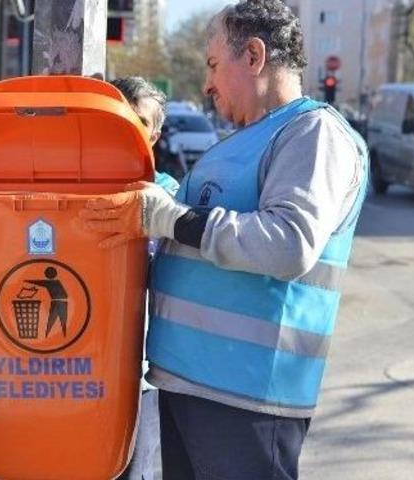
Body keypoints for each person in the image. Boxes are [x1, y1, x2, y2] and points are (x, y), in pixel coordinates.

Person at [82, 1, 368, 478]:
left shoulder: (313, 133)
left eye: (214, 65)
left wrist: (171, 218)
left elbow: (289, 243)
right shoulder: (250, 138)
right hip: (192, 385)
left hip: (246, 398)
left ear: (254, 56)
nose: (206, 85)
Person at [109, 76, 178, 480]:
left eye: (140, 121)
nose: (128, 130)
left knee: (137, 468)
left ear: (154, 135)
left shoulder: (169, 196)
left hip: (144, 373)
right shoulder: (78, 189)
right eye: (119, 118)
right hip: (83, 366)